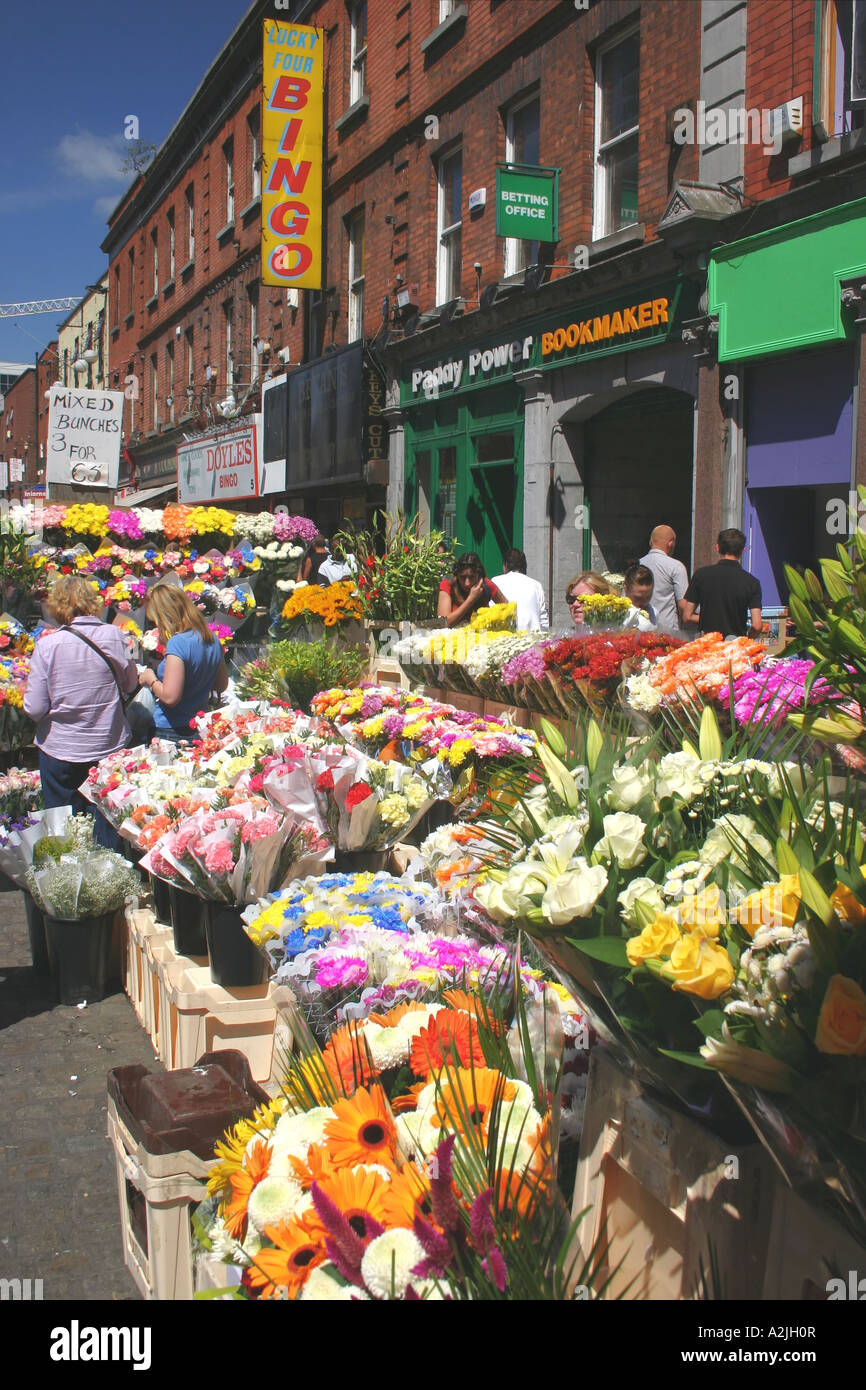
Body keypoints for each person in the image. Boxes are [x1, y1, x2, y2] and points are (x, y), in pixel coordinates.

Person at [23, 575, 139, 849]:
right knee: (107, 820)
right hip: (107, 745)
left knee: (64, 827)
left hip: (60, 750)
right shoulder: (117, 636)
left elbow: (35, 707)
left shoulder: (47, 646)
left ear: (57, 606)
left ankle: (68, 878)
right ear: (92, 602)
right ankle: (110, 876)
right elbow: (131, 683)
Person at [137, 583, 228, 743]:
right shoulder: (211, 638)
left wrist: (150, 680)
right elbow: (221, 685)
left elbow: (170, 697)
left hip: (171, 730)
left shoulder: (178, 643)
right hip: (200, 725)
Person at [681, 528, 763, 637]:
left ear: (717, 548)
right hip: (734, 646)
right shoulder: (752, 582)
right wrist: (748, 640)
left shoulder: (701, 575)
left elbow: (687, 616)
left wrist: (708, 618)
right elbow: (757, 625)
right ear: (743, 551)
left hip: (707, 644)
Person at [640, 525, 689, 633]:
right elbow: (683, 605)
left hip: (640, 629)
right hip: (667, 632)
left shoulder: (637, 565)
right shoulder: (676, 566)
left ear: (651, 542)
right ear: (671, 543)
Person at [438, 552, 506, 627]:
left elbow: (507, 609)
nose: (467, 583)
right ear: (457, 576)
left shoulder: (486, 585)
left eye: (472, 577)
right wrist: (471, 599)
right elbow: (442, 624)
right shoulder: (447, 586)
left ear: (479, 576)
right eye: (463, 577)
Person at [491, 548, 549, 631]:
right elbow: (543, 621)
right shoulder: (536, 585)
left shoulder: (495, 581)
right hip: (534, 639)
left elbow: (490, 613)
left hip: (504, 640)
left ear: (505, 565)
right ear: (524, 566)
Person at [622, 563, 658, 631]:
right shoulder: (615, 615)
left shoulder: (654, 613)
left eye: (648, 597)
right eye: (638, 598)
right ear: (626, 589)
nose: (643, 603)